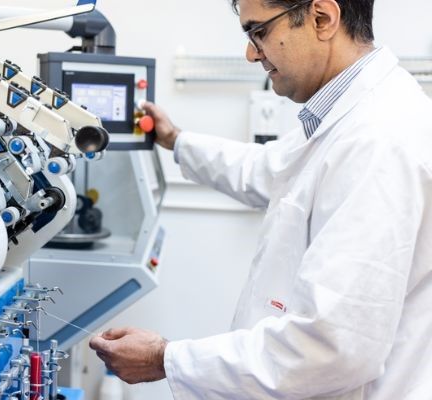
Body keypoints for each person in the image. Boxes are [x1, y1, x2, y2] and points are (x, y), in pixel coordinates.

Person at [89, 0, 432, 398]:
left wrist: (166, 358)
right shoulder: (349, 113)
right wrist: (176, 139)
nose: (251, 53)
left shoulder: (378, 140)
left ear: (322, 18)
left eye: (259, 31)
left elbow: (331, 346)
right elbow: (269, 170)